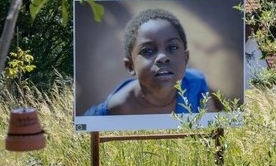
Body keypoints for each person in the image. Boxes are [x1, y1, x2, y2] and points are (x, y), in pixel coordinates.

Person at [83, 8, 215, 116]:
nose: (162, 57)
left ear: (185, 58)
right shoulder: (119, 108)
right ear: (130, 66)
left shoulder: (197, 84)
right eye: (148, 51)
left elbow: (211, 123)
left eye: (173, 47)